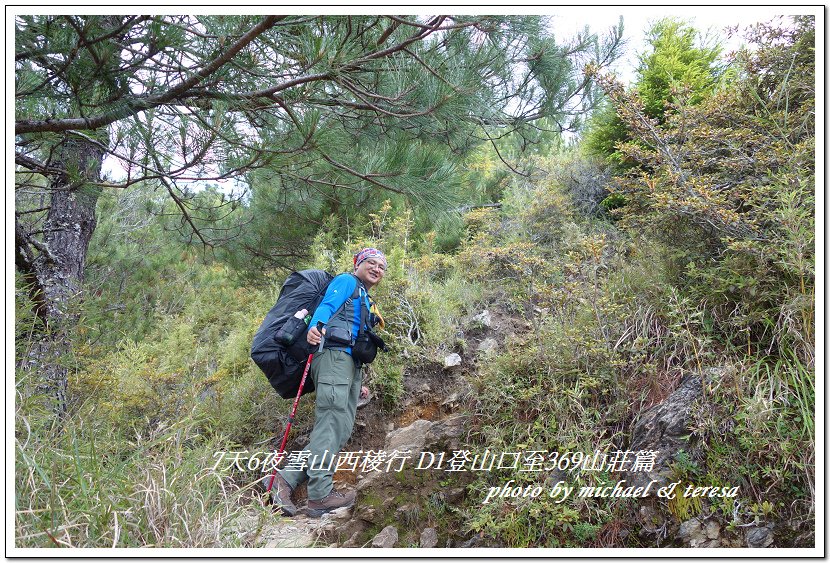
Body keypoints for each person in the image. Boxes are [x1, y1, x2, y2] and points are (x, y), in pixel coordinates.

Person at [270, 247, 387, 517]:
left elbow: (356, 336)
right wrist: (317, 325)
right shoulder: (347, 281)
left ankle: (284, 479)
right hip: (333, 359)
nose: (376, 269)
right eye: (371, 262)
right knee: (331, 423)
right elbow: (327, 306)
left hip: (347, 366)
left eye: (381, 266)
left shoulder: (364, 297)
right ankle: (320, 495)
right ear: (357, 264)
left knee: (339, 429)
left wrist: (359, 380)